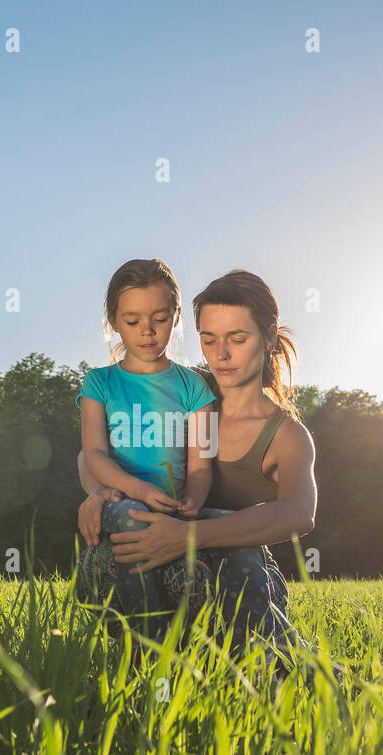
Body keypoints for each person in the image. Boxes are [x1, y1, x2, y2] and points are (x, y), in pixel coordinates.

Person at [77, 268, 324, 679]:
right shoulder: (185, 387)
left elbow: (300, 514)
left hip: (232, 572)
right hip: (157, 561)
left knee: (260, 644)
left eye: (238, 339)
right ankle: (150, 670)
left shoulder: (286, 435)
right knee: (119, 550)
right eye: (208, 339)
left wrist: (185, 535)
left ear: (267, 337)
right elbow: (91, 455)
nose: (220, 354)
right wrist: (100, 492)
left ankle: (273, 670)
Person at [74, 258, 220, 647]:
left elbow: (202, 464)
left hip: (171, 509)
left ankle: (219, 644)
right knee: (129, 516)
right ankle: (148, 645)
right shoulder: (98, 384)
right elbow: (94, 454)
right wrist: (134, 491)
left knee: (220, 543)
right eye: (133, 320)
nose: (147, 331)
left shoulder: (196, 389)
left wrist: (193, 500)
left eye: (158, 317)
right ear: (113, 320)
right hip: (122, 503)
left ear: (175, 316)